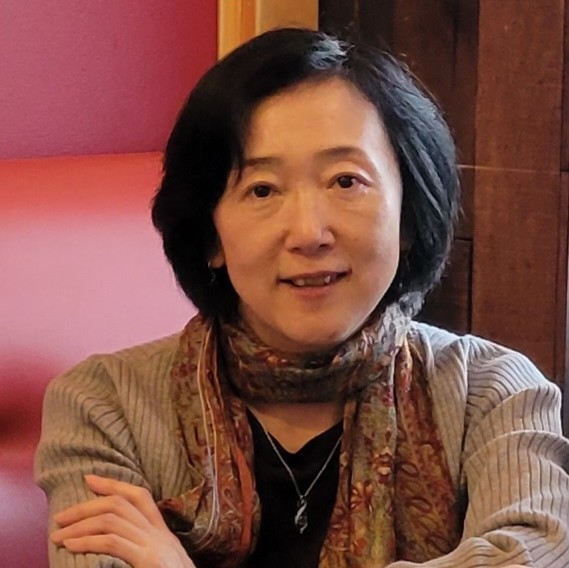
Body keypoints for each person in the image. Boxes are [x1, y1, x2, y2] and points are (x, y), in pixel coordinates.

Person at [35, 28, 568, 568]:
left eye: (345, 181)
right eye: (262, 189)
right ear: (210, 237)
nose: (309, 233)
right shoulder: (104, 406)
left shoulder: (491, 393)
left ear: (407, 216)